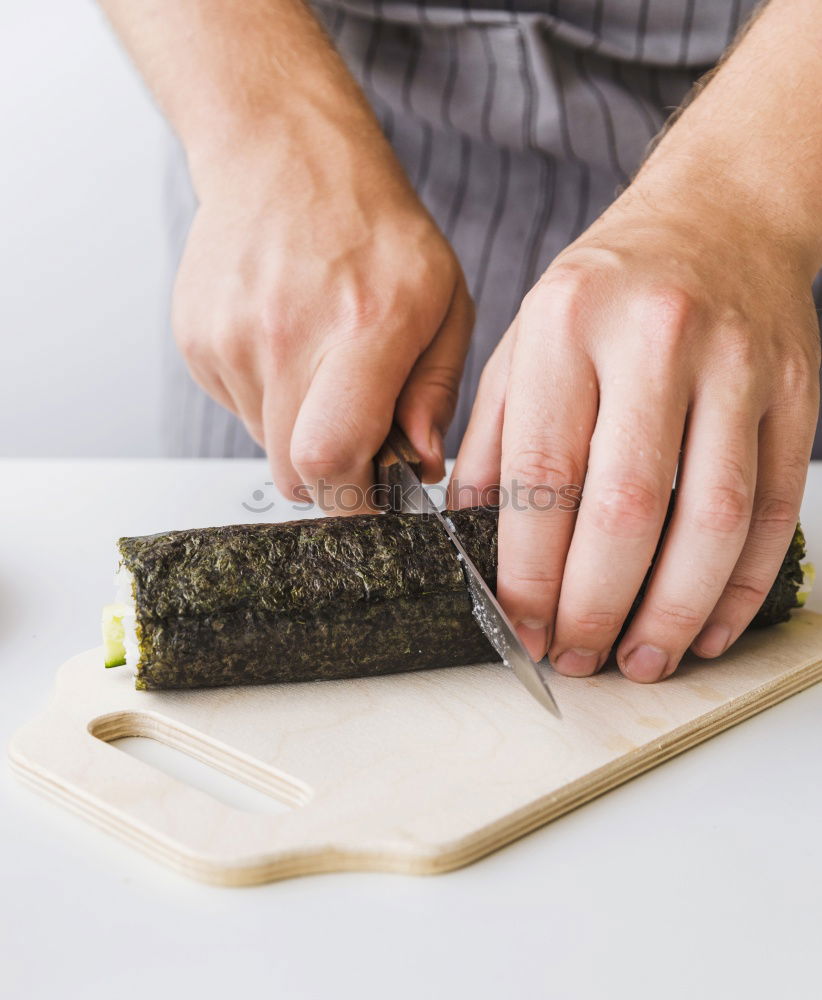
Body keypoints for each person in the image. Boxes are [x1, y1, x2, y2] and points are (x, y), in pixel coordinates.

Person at [99, 0, 822, 684]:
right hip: (294, 144)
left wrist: (752, 194)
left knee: (722, 515)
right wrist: (262, 131)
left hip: (780, 144)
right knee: (309, 472)